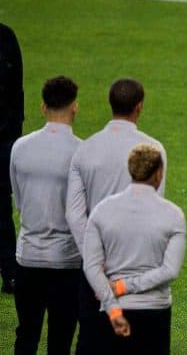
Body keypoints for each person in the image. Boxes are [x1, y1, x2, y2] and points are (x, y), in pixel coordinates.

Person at [66, 78, 167, 354]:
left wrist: (95, 261)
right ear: (139, 107)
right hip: (139, 271)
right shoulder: (154, 149)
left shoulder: (84, 149)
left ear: (110, 105)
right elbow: (154, 211)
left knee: (92, 343)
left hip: (94, 273)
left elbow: (74, 214)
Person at [83, 143, 185, 354]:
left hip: (113, 311)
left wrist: (113, 309)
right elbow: (170, 270)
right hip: (154, 311)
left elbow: (91, 266)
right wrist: (124, 286)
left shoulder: (103, 210)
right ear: (158, 174)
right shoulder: (173, 214)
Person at [10, 76, 80, 354]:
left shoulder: (20, 147)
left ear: (43, 107)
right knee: (60, 341)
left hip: (28, 257)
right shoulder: (81, 152)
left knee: (26, 335)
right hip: (67, 262)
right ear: (74, 107)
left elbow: (18, 198)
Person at [0, 13, 24, 294]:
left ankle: (9, 271)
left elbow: (16, 95)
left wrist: (13, 141)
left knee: (0, 207)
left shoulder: (6, 38)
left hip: (3, 140)